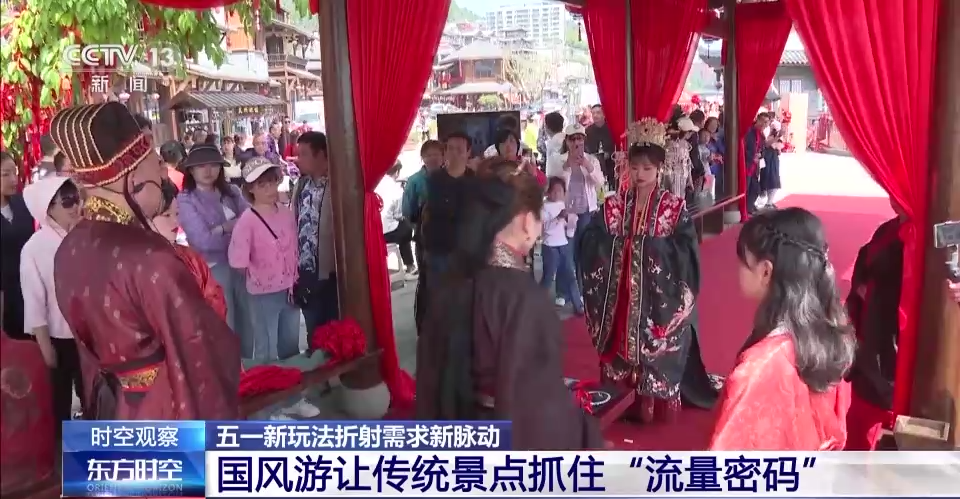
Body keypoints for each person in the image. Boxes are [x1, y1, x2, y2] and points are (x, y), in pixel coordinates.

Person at [49, 102, 240, 420]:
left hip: (109, 407)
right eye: (156, 163)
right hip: (162, 410)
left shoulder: (68, 249)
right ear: (132, 175)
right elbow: (201, 348)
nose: (163, 172)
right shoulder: (150, 256)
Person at [416, 170, 603, 450]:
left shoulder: (449, 284)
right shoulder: (523, 297)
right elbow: (539, 406)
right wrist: (588, 437)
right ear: (527, 221)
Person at [578, 118, 720, 423]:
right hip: (619, 299)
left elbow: (686, 253)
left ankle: (652, 399)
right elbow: (590, 242)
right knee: (619, 347)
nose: (640, 175)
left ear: (659, 169)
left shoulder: (674, 208)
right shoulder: (613, 206)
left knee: (656, 341)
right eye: (634, 167)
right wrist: (623, 250)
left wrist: (643, 250)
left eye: (647, 168)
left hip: (657, 300)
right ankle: (620, 395)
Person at [710, 207, 855, 450]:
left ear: (766, 271)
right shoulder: (831, 328)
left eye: (743, 261)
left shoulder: (761, 367)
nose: (738, 269)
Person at [20, 176, 85, 429]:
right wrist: (46, 348)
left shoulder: (85, 235)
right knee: (60, 403)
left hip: (89, 334)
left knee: (92, 397)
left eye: (76, 198)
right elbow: (34, 302)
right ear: (49, 208)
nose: (75, 206)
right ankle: (61, 449)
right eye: (67, 201)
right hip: (58, 337)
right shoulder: (34, 248)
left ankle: (93, 445)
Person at [229, 157, 300, 362]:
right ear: (250, 188)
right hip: (263, 294)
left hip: (291, 288)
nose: (269, 189)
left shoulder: (286, 213)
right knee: (266, 349)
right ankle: (267, 382)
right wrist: (261, 276)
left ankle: (292, 383)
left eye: (272, 181)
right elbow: (238, 263)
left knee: (291, 346)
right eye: (261, 184)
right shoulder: (247, 221)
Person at [177, 144, 252, 337]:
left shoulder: (232, 191)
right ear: (191, 170)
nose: (208, 170)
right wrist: (229, 228)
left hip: (243, 265)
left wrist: (218, 231)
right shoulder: (186, 199)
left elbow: (250, 222)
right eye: (201, 166)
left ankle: (249, 357)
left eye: (213, 164)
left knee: (249, 323)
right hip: (212, 268)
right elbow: (203, 241)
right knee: (226, 323)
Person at [415, 131, 475, 329]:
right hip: (438, 252)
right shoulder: (434, 180)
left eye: (460, 149)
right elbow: (438, 212)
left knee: (465, 306)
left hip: (466, 254)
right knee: (439, 305)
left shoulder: (475, 181)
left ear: (468, 152)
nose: (454, 153)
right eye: (450, 148)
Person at [292, 132, 338, 337]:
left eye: (304, 154)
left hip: (330, 272)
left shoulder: (336, 185)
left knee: (334, 329)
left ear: (321, 155)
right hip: (305, 271)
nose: (298, 159)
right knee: (314, 332)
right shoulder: (301, 185)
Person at [1, 151, 35, 340]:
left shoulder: (23, 204)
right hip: (6, 297)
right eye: (5, 174)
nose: (14, 179)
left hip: (30, 291)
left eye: (14, 172)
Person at [540, 177, 584, 315]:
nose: (557, 194)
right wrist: (558, 217)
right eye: (554, 191)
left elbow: (569, 230)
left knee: (570, 275)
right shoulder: (544, 207)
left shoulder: (564, 206)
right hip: (549, 246)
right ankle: (538, 304)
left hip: (564, 244)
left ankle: (578, 306)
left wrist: (571, 221)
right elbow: (545, 227)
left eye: (560, 191)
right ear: (548, 192)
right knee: (548, 277)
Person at [377, 161, 418, 278]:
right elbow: (399, 214)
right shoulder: (396, 189)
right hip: (387, 231)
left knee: (403, 228)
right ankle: (410, 266)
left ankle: (409, 266)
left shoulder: (377, 184)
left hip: (374, 228)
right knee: (406, 229)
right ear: (397, 172)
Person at [743, 113, 771, 215]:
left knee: (755, 189)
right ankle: (745, 209)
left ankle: (749, 207)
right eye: (762, 120)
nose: (764, 124)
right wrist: (752, 157)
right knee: (746, 188)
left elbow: (763, 149)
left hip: (755, 166)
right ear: (757, 119)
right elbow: (743, 148)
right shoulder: (748, 131)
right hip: (747, 164)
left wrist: (760, 155)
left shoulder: (762, 135)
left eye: (766, 122)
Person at [585, 104, 615, 188]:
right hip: (594, 166)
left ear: (604, 115)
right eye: (593, 113)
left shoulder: (612, 129)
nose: (595, 115)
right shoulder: (588, 131)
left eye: (598, 113)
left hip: (611, 166)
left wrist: (609, 153)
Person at [760, 113, 783, 209]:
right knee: (767, 178)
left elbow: (779, 146)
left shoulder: (772, 130)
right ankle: (767, 202)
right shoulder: (764, 131)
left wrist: (778, 141)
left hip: (773, 157)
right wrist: (776, 137)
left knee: (774, 179)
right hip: (766, 156)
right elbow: (766, 144)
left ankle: (770, 201)